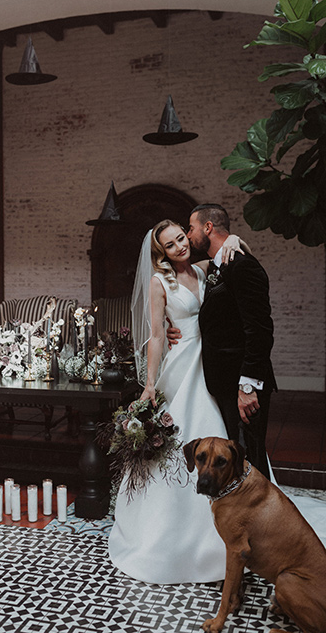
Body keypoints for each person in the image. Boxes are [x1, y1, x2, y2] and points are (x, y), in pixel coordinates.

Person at [108, 219, 245, 585]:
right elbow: (156, 334)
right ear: (161, 253)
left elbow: (228, 252)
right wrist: (150, 384)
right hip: (183, 363)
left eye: (182, 238)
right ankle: (175, 533)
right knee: (183, 436)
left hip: (211, 361)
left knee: (219, 431)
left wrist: (231, 236)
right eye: (170, 245)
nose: (180, 246)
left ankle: (234, 521)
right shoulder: (159, 282)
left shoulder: (203, 270)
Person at [186, 204, 276, 479]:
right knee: (235, 461)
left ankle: (259, 518)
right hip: (224, 383)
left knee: (250, 459)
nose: (188, 236)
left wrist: (247, 386)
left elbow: (260, 330)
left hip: (243, 384)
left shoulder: (242, 266)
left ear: (208, 228)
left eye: (191, 228)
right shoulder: (219, 264)